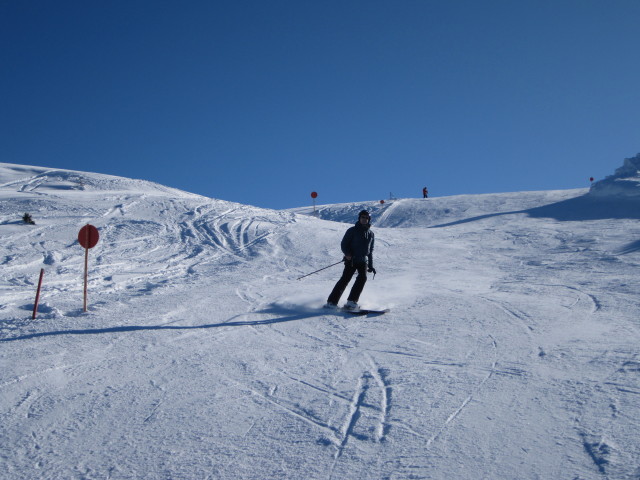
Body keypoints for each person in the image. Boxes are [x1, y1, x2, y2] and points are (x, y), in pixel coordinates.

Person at [325, 210, 376, 310]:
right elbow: (344, 244)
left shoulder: (371, 234)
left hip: (363, 261)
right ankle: (332, 302)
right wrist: (347, 254)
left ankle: (351, 302)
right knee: (345, 279)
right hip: (351, 260)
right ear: (359, 218)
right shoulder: (352, 230)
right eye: (362, 217)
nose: (364, 219)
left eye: (366, 218)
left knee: (362, 278)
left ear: (368, 219)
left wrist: (370, 265)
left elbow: (370, 250)